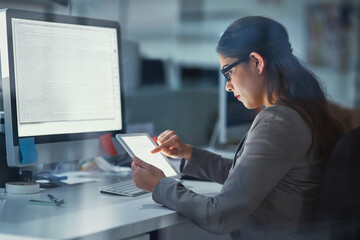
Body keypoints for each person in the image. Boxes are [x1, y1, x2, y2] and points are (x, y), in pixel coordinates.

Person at [131, 16, 344, 239]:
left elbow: (220, 214)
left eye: (229, 72)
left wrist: (160, 186)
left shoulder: (279, 123)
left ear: (256, 62)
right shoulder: (300, 111)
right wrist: (189, 154)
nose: (227, 85)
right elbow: (248, 178)